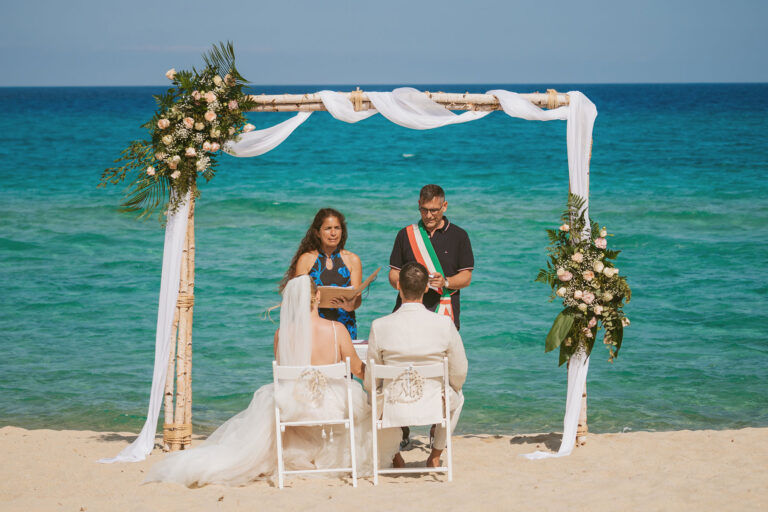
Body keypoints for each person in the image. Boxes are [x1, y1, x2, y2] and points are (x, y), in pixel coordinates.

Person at [145, 276, 397, 487]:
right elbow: (356, 368)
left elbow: (284, 371)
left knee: (271, 398)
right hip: (332, 406)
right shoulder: (337, 329)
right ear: (317, 297)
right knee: (362, 403)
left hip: (297, 406)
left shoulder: (282, 333)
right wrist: (378, 374)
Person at [365, 262, 468, 468]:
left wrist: (376, 389)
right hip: (433, 404)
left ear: (398, 287)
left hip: (394, 405)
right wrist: (452, 387)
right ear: (426, 288)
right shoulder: (444, 324)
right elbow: (460, 371)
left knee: (374, 395)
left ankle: (395, 455)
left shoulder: (379, 325)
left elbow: (371, 378)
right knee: (459, 395)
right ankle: (436, 454)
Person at [388, 184, 474, 331]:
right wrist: (406, 284)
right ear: (419, 204)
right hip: (407, 310)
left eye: (434, 210)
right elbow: (394, 273)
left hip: (444, 310)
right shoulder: (405, 234)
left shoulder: (459, 236)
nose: (428, 215)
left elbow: (466, 277)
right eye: (424, 209)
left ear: (444, 206)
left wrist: (445, 282)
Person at [282, 208, 363, 339]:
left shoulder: (353, 260)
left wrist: (349, 306)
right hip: (312, 327)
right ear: (318, 233)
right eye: (328, 228)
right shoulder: (306, 259)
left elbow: (357, 300)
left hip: (344, 326)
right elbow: (297, 297)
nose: (333, 233)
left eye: (337, 228)